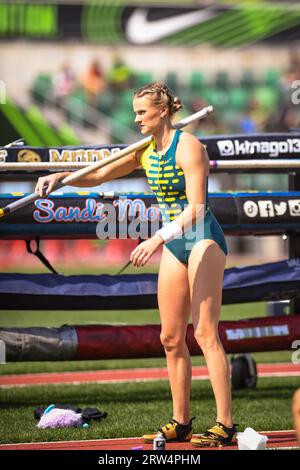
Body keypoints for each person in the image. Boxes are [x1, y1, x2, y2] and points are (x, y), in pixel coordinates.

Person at [35, 81, 236, 447]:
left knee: (205, 333)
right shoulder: (144, 150)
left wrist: (157, 237)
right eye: (135, 111)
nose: (136, 118)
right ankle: (181, 422)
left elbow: (196, 209)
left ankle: (224, 424)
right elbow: (98, 174)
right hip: (176, 243)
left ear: (162, 111)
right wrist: (61, 179)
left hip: (203, 238)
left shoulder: (188, 147)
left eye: (142, 112)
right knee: (171, 338)